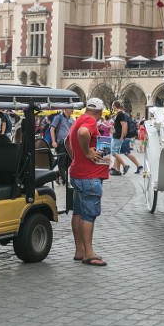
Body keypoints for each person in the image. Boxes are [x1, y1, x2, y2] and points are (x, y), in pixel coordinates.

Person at [68, 97, 109, 267]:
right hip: (89, 177)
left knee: (78, 212)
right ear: (99, 112)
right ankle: (89, 253)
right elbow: (83, 133)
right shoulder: (90, 121)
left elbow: (66, 142)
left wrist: (77, 157)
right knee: (89, 214)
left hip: (79, 173)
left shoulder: (78, 120)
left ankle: (80, 250)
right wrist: (87, 154)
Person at [109, 100, 142, 175]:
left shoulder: (121, 114)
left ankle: (129, 166)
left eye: (112, 106)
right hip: (123, 136)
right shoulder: (123, 114)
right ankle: (116, 169)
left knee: (122, 152)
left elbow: (124, 126)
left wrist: (122, 136)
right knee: (118, 153)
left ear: (114, 106)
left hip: (123, 137)